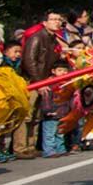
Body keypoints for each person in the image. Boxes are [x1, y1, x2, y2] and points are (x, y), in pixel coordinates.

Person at [15, 9, 65, 158]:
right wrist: (39, 82)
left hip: (44, 80)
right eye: (53, 19)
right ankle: (20, 147)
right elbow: (29, 61)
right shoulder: (37, 38)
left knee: (37, 115)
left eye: (58, 19)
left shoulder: (53, 40)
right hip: (32, 81)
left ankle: (31, 145)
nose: (57, 22)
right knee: (26, 115)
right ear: (45, 23)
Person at [39, 60, 72, 157]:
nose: (63, 73)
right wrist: (47, 110)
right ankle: (49, 151)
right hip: (52, 113)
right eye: (60, 70)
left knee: (60, 133)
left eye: (65, 70)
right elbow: (46, 99)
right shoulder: (49, 84)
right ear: (53, 71)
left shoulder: (67, 83)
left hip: (63, 112)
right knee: (49, 134)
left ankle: (61, 149)